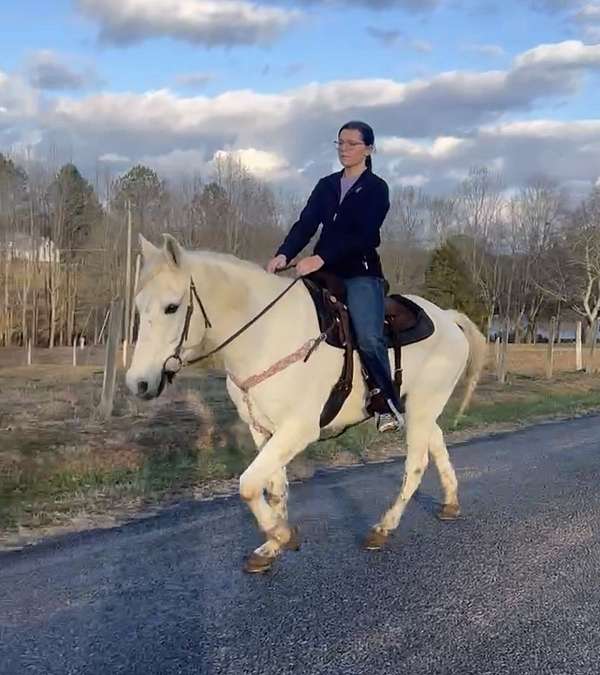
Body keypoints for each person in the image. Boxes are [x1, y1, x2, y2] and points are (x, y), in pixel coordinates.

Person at [266, 120, 404, 432]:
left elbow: (365, 235)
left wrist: (320, 258)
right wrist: (284, 254)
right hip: (321, 269)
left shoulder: (376, 188)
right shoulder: (326, 185)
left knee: (369, 336)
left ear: (368, 149)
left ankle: (387, 403)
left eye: (352, 144)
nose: (344, 148)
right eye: (340, 143)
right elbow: (306, 224)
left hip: (360, 272)